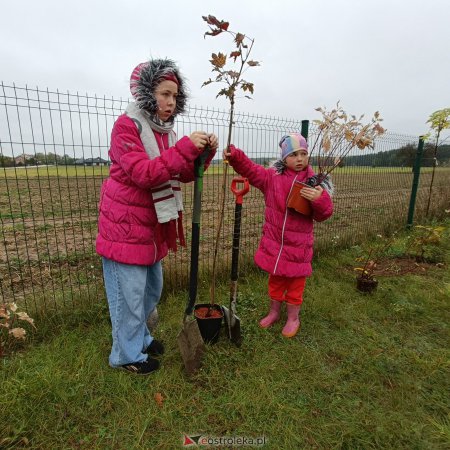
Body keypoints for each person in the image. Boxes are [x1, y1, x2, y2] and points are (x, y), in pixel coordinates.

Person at [96, 58, 218, 375]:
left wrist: (201, 155)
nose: (170, 102)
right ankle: (125, 355)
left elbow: (177, 172)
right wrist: (184, 150)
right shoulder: (126, 126)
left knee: (150, 292)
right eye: (164, 94)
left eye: (175, 96)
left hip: (150, 230)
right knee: (129, 298)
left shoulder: (165, 132)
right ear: (147, 94)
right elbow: (144, 174)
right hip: (125, 229)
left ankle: (141, 338)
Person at [223, 133, 333, 338]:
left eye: (303, 153)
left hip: (299, 247)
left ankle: (293, 318)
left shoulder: (315, 182)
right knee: (276, 282)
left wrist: (319, 199)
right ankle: (274, 312)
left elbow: (324, 214)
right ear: (284, 158)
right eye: (293, 154)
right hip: (275, 244)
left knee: (295, 286)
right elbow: (251, 170)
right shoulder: (272, 178)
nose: (299, 159)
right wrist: (235, 156)